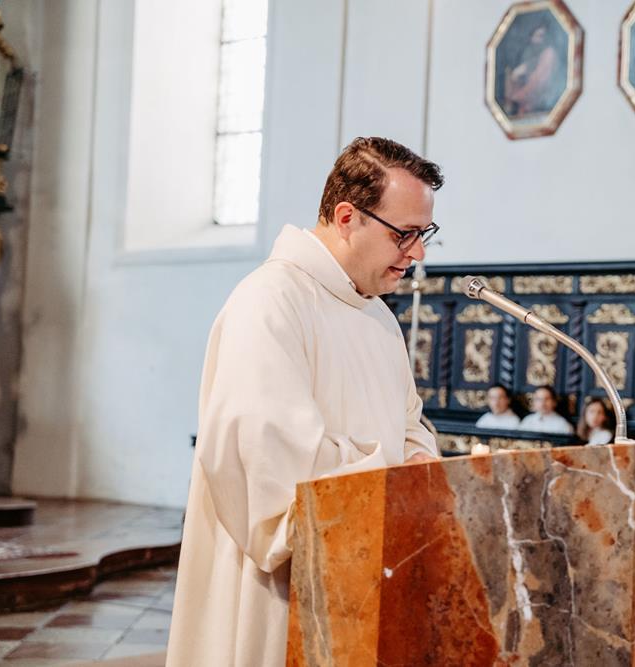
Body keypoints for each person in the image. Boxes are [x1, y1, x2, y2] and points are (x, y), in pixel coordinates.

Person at [166, 137, 444, 666]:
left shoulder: (379, 318)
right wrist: (393, 479)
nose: (418, 253)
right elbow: (269, 458)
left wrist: (417, 460)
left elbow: (410, 423)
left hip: (369, 570)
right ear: (347, 217)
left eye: (424, 234)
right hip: (284, 585)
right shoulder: (270, 302)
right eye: (404, 234)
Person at [502, 20, 561, 117]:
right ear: (531, 37)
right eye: (537, 36)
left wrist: (514, 97)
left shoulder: (548, 54)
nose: (541, 40)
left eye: (543, 36)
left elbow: (537, 84)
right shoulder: (528, 53)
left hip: (540, 109)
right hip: (524, 109)